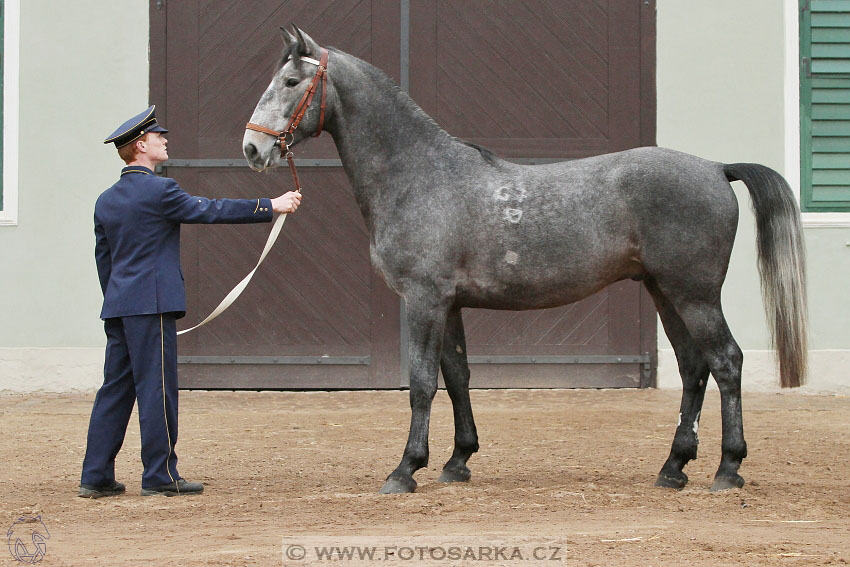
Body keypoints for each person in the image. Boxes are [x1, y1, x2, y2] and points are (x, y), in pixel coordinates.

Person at [79, 105, 301, 498]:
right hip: (153, 305)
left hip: (119, 307)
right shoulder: (160, 190)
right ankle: (161, 476)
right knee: (156, 390)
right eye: (158, 136)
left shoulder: (105, 200)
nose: (165, 140)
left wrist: (118, 300)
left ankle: (95, 476)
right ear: (141, 145)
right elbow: (210, 210)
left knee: (114, 390)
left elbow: (104, 260)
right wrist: (270, 204)